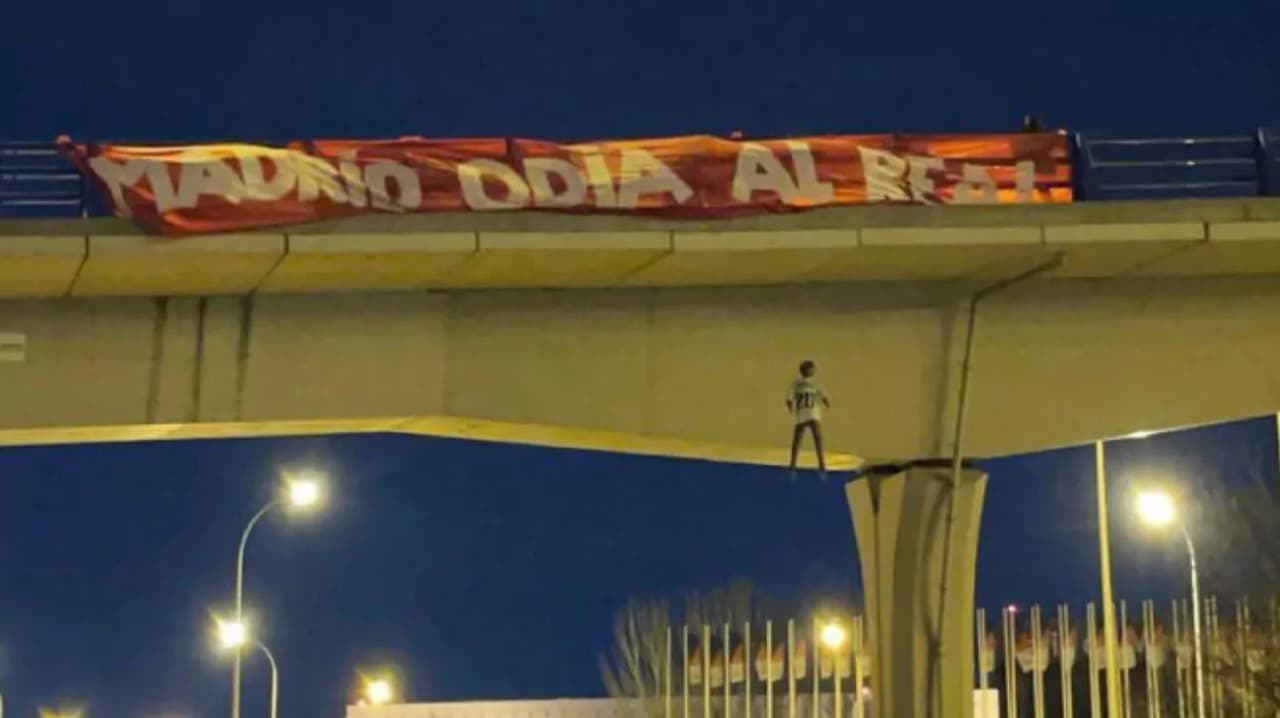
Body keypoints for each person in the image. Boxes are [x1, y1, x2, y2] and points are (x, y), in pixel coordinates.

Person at [786, 360, 830, 480]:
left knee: (816, 439)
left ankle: (821, 466)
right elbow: (789, 398)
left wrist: (826, 402)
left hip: (811, 413)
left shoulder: (811, 383)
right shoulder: (797, 383)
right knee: (799, 440)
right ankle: (793, 466)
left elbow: (823, 396)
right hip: (803, 414)